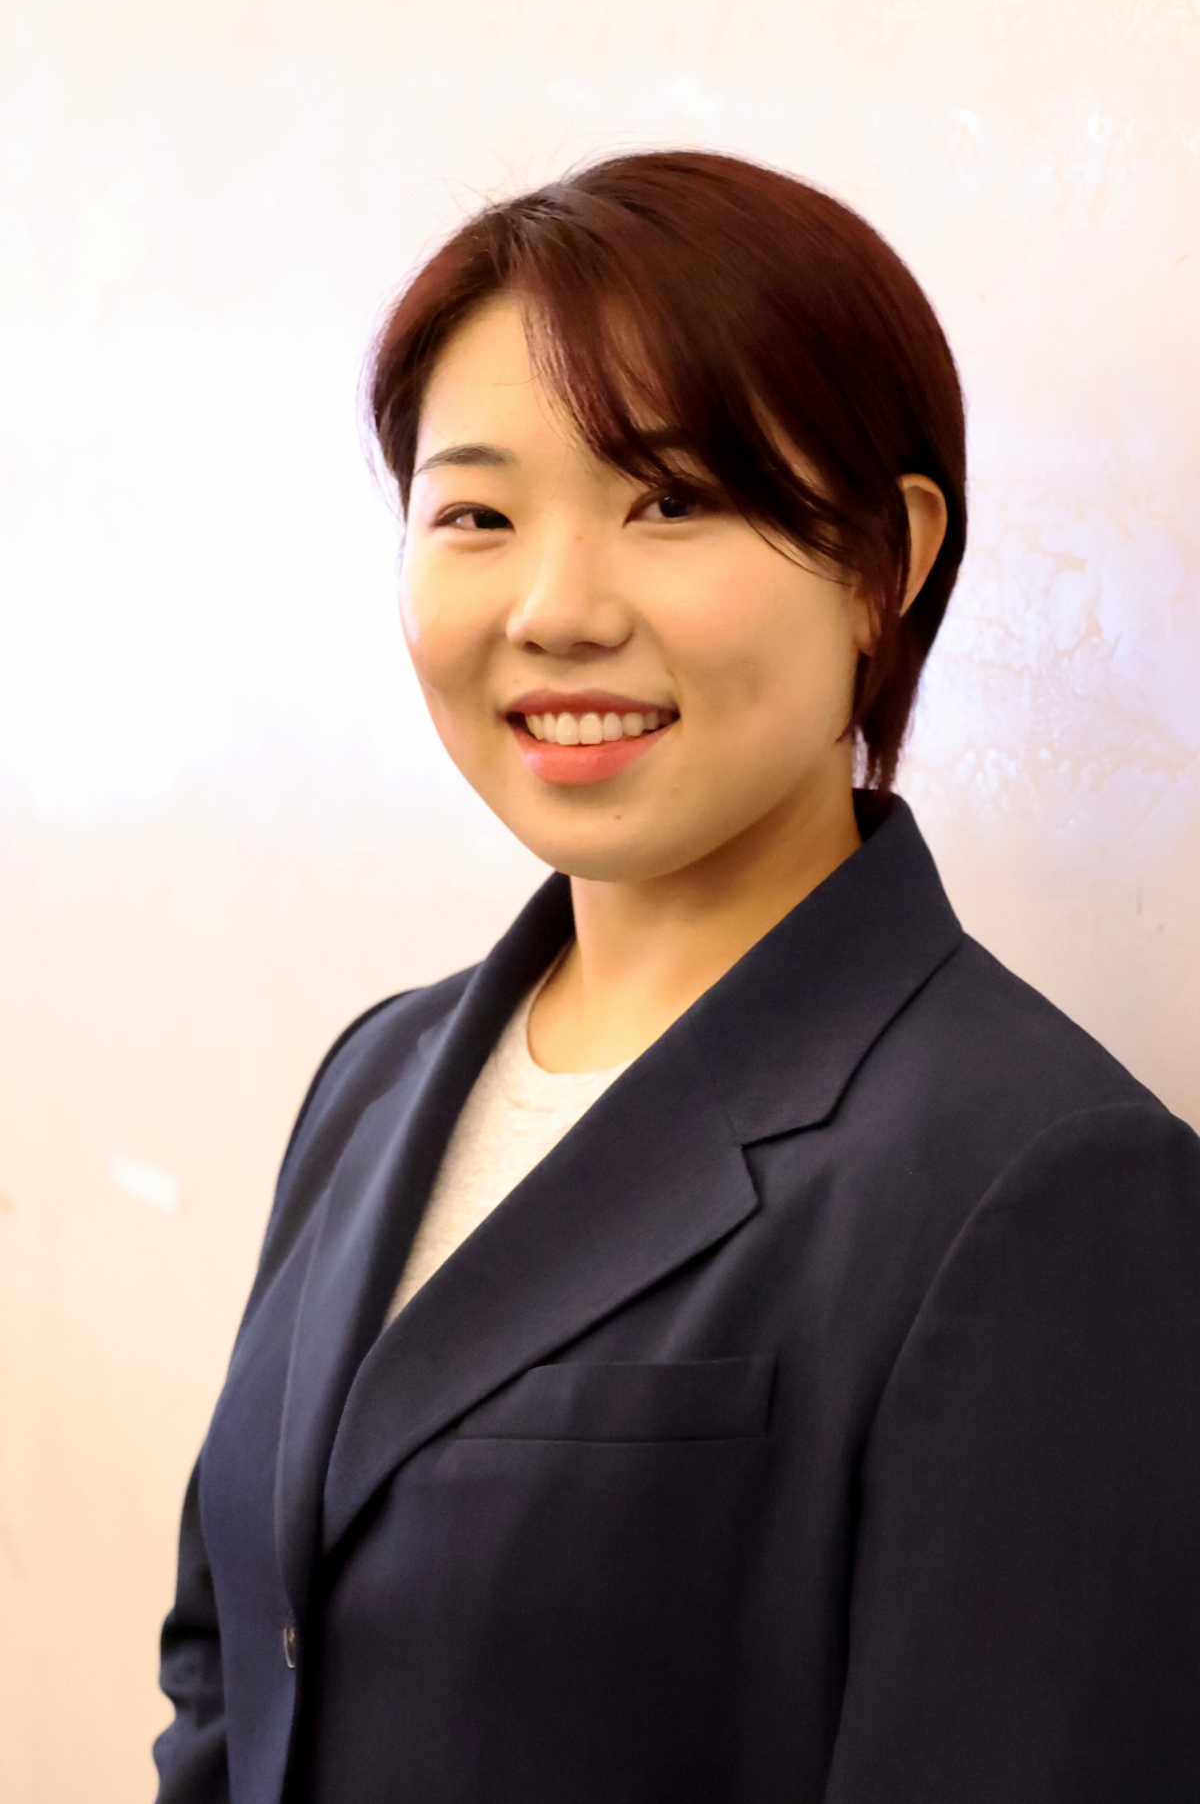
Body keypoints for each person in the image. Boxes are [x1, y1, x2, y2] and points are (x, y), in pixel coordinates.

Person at [153, 151, 1200, 1804]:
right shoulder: (376, 1075)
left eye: (672, 500)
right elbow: (238, 1667)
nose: (556, 611)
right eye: (477, 514)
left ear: (885, 560)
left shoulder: (1048, 1182)